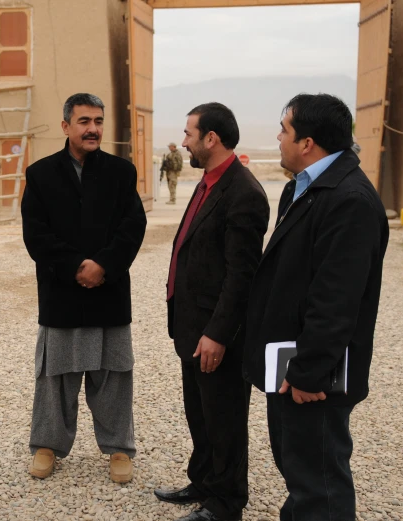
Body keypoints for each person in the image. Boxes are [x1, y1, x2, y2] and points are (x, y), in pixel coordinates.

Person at [243, 93, 388, 521]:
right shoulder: (303, 189)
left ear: (307, 142)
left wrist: (308, 372)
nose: (278, 137)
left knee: (319, 486)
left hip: (313, 380)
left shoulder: (349, 200)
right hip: (290, 368)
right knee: (301, 473)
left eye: (284, 129)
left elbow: (336, 300)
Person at [21, 93, 147, 484]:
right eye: (84, 121)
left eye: (98, 121)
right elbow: (35, 235)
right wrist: (76, 267)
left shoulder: (121, 173)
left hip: (109, 291)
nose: (93, 129)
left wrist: (104, 265)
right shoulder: (40, 174)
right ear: (65, 126)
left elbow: (133, 227)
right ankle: (47, 445)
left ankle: (119, 448)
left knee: (114, 374)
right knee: (54, 375)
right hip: (61, 292)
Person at [155, 103, 269, 521]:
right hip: (192, 327)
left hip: (216, 334)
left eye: (188, 133)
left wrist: (219, 333)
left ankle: (226, 502)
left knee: (225, 419)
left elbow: (242, 275)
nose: (183, 141)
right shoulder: (208, 182)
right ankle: (203, 482)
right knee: (200, 414)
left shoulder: (244, 193)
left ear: (211, 138)